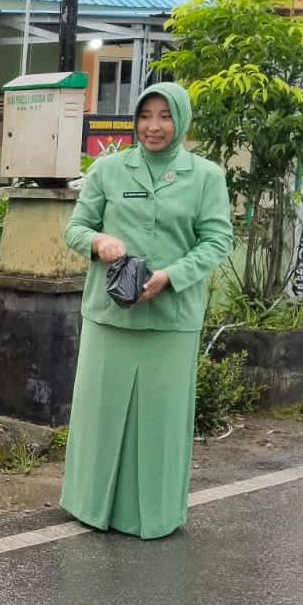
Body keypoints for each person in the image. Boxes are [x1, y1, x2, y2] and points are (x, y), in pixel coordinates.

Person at [59, 81, 234, 539]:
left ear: (181, 121)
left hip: (171, 318)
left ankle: (155, 514)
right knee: (100, 415)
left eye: (165, 116)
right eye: (145, 116)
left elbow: (218, 240)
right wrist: (98, 242)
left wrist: (171, 276)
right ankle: (89, 506)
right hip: (110, 315)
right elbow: (75, 228)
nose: (153, 126)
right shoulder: (108, 169)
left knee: (161, 420)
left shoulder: (206, 177)